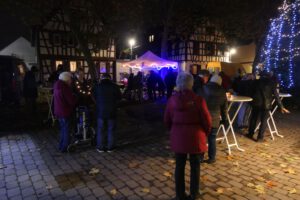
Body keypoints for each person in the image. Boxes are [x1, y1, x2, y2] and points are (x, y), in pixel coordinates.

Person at [164, 72, 212, 200]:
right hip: (195, 137)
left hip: (179, 136)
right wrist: (205, 133)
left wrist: (174, 131)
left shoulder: (172, 100)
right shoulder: (198, 100)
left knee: (179, 166)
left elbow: (167, 120)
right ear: (191, 84)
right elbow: (207, 121)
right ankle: (194, 193)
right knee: (195, 166)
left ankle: (180, 195)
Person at [246, 71, 290, 142]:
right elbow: (276, 96)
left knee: (253, 119)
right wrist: (281, 106)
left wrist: (251, 101)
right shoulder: (271, 83)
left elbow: (250, 92)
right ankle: (260, 138)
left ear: (260, 76)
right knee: (263, 121)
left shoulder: (255, 82)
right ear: (269, 76)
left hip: (256, 103)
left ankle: (250, 134)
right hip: (266, 105)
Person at [94, 73, 122, 152]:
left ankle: (100, 147)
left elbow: (94, 96)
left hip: (100, 111)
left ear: (102, 78)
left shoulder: (97, 86)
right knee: (111, 129)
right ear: (110, 78)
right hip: (112, 111)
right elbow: (119, 97)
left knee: (100, 130)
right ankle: (111, 147)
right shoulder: (115, 86)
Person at [202, 74, 227, 164]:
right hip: (215, 118)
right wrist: (224, 119)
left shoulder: (204, 88)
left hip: (204, 117)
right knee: (212, 138)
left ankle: (200, 156)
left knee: (203, 138)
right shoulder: (222, 91)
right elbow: (224, 108)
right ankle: (212, 158)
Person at [53, 72, 77, 152]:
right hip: (65, 111)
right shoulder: (65, 87)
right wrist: (74, 96)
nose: (71, 81)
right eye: (70, 79)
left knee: (63, 129)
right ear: (67, 79)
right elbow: (71, 101)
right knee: (66, 130)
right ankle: (65, 147)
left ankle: (61, 146)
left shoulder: (57, 85)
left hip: (58, 111)